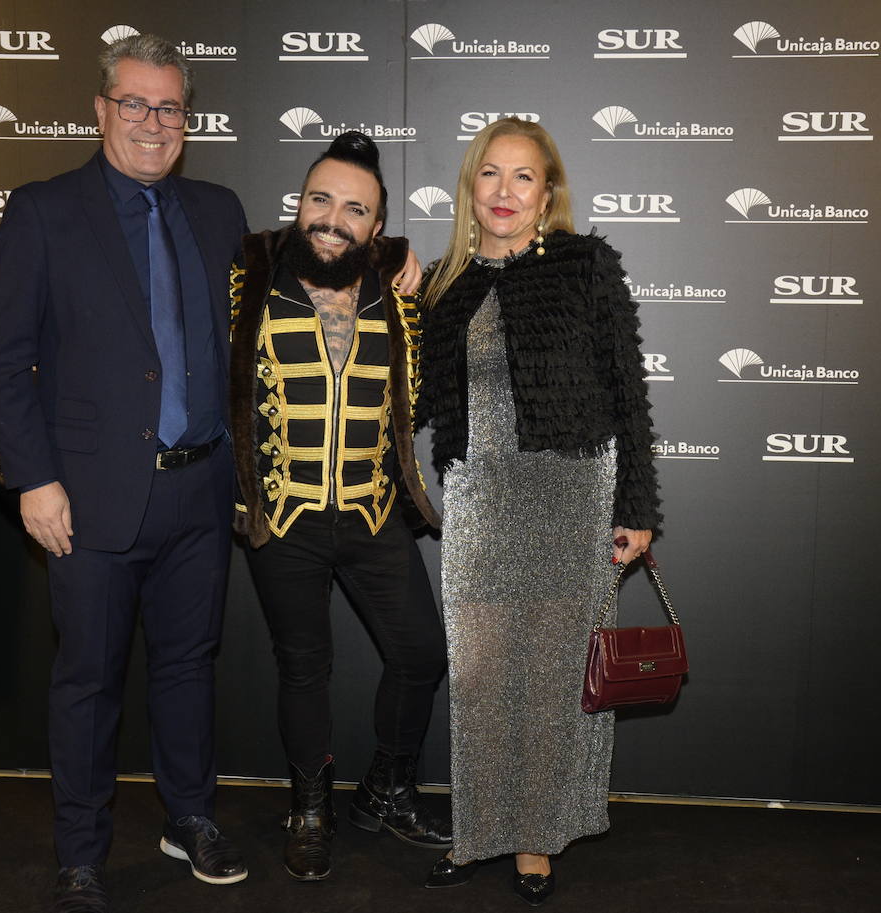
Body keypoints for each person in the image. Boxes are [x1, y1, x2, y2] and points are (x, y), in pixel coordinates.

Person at [0, 34, 249, 913]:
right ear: (101, 110)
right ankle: (81, 854)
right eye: (134, 103)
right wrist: (33, 478)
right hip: (87, 497)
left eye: (169, 107)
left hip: (201, 490)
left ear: (187, 119)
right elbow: (4, 359)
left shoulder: (218, 210)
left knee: (187, 668)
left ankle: (190, 817)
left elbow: (267, 323)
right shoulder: (44, 211)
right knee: (88, 680)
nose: (151, 123)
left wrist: (381, 263)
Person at [416, 118, 661, 905]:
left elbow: (630, 393)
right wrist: (393, 306)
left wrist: (638, 507)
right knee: (482, 678)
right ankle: (478, 826)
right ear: (471, 185)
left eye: (524, 177)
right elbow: (418, 400)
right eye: (491, 174)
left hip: (569, 495)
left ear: (547, 192)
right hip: (480, 505)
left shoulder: (585, 267)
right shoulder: (445, 285)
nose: (505, 192)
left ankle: (533, 837)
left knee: (555, 678)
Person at [229, 131, 451, 881]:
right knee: (304, 667)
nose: (333, 217)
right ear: (298, 204)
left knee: (422, 651)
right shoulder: (249, 271)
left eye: (355, 208)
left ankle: (386, 787)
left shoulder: (399, 286)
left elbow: (416, 392)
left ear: (376, 228)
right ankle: (311, 805)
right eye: (320, 198)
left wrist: (408, 280)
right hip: (284, 516)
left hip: (372, 509)